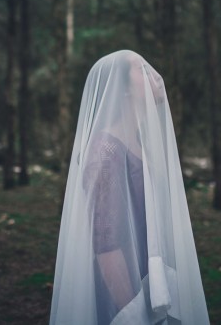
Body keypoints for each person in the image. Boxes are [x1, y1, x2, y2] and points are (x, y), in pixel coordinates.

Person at [50, 50, 210, 325]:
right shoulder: (106, 152)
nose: (155, 75)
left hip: (147, 286)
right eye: (141, 69)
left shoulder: (138, 143)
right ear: (121, 90)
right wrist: (134, 316)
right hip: (122, 304)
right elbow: (107, 246)